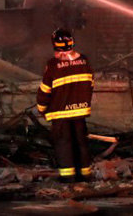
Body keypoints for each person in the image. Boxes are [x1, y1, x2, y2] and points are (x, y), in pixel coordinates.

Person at [36, 28, 94, 182]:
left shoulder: (53, 65)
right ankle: (85, 174)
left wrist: (41, 108)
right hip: (80, 112)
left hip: (60, 113)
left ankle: (68, 177)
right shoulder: (85, 61)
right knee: (81, 142)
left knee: (64, 144)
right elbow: (90, 85)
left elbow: (44, 91)